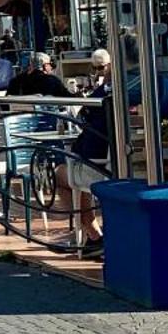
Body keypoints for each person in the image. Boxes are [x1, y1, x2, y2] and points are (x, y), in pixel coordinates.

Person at [54, 48, 113, 255]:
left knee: (62, 173)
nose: (98, 72)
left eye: (102, 68)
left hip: (106, 168)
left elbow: (83, 117)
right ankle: (91, 235)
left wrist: (105, 84)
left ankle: (93, 235)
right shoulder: (159, 86)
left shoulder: (105, 92)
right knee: (77, 166)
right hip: (139, 164)